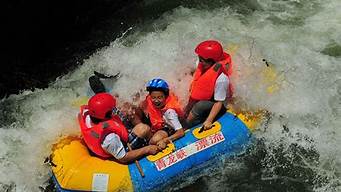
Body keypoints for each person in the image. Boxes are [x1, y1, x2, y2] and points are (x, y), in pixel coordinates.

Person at [78, 92, 160, 164]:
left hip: (110, 131)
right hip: (118, 149)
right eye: (113, 108)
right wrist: (147, 149)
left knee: (129, 108)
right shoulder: (110, 138)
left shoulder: (88, 114)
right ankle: (152, 140)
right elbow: (123, 158)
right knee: (143, 129)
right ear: (106, 115)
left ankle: (143, 123)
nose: (115, 108)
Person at [184, 40, 233, 131]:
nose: (199, 62)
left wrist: (209, 121)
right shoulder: (204, 63)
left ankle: (185, 126)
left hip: (218, 102)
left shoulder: (222, 79)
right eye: (199, 59)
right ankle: (186, 116)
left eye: (201, 60)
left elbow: (219, 102)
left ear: (212, 61)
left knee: (200, 105)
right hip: (208, 94)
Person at [131, 78, 185, 149]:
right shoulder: (149, 99)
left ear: (165, 97)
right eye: (153, 97)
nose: (156, 101)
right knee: (132, 114)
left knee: (155, 140)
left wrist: (165, 141)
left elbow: (180, 132)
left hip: (166, 127)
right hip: (154, 123)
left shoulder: (170, 112)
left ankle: (146, 146)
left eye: (160, 97)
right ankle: (141, 136)